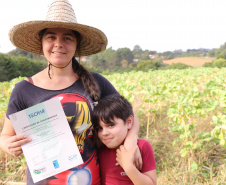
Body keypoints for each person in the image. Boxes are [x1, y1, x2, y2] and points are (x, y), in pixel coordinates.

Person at [0, 0, 141, 184]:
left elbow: (130, 116)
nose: (58, 44)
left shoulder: (97, 82)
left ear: (77, 45)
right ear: (41, 43)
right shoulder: (23, 90)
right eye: (51, 37)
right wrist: (7, 145)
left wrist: (132, 142)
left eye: (67, 38)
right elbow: (5, 135)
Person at [93, 94, 157, 185]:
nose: (104, 133)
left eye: (111, 125)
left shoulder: (142, 146)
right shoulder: (99, 148)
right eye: (99, 128)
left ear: (129, 122)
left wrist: (128, 167)